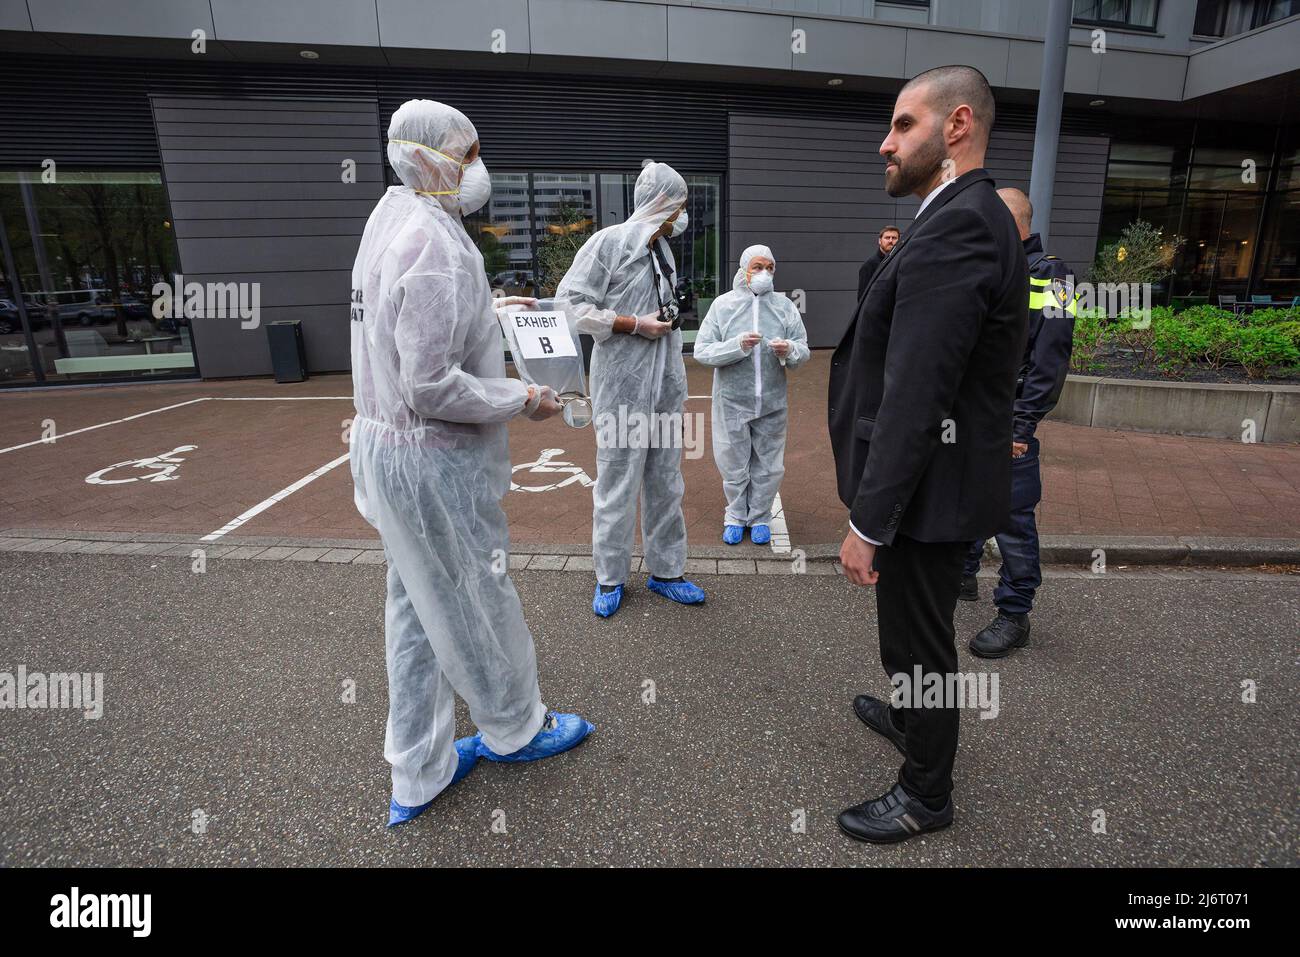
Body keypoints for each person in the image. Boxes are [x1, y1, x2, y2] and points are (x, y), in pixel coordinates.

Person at [349, 99, 593, 828]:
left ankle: (417, 771)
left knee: (417, 609)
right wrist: (522, 396)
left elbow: (415, 331)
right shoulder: (434, 244)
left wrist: (490, 310)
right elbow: (430, 384)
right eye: (470, 151)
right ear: (431, 158)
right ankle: (515, 726)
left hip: (390, 452)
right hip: (432, 463)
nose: (479, 166)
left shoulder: (393, 220)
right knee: (474, 599)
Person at [828, 66, 1029, 843]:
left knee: (919, 644)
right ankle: (914, 717)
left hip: (926, 495)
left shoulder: (962, 223)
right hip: (932, 485)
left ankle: (925, 794)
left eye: (904, 124)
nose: (886, 142)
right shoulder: (950, 216)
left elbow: (919, 392)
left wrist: (869, 522)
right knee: (906, 637)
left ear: (957, 126)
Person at [556, 161, 706, 618]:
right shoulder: (609, 243)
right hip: (622, 385)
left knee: (665, 480)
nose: (681, 214)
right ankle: (610, 577)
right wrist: (630, 324)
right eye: (677, 204)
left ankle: (666, 571)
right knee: (617, 482)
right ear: (660, 202)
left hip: (662, 385)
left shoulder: (663, 250)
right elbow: (569, 306)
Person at [961, 188, 1075, 658]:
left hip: (1009, 420)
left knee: (1012, 516)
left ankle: (1014, 612)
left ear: (1013, 223)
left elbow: (1052, 360)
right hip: (971, 414)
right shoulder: (991, 269)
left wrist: (1022, 425)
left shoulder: (1056, 276)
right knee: (965, 495)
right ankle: (964, 575)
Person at [693, 244, 810, 545]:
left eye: (770, 268)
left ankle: (759, 516)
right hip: (732, 399)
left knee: (769, 463)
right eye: (758, 267)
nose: (764, 273)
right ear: (743, 269)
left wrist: (790, 350)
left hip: (771, 400)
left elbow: (803, 348)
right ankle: (734, 515)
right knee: (732, 461)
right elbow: (702, 350)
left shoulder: (784, 307)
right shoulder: (723, 305)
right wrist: (737, 346)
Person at [857, 225, 900, 299]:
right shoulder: (869, 265)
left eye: (894, 238)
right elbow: (862, 298)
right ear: (880, 241)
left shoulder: (900, 261)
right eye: (887, 238)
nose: (890, 241)